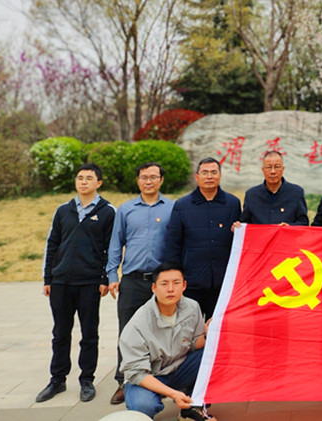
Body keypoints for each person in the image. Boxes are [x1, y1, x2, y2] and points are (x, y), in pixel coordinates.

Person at [36, 163, 115, 404]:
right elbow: (52, 244)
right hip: (61, 282)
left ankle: (87, 380)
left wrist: (104, 278)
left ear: (98, 183)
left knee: (89, 333)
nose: (83, 182)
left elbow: (110, 248)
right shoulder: (63, 210)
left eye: (89, 178)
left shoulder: (107, 211)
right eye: (80, 178)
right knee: (60, 333)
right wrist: (48, 278)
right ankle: (57, 379)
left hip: (89, 282)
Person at [105, 162, 176, 405]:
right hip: (133, 281)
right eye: (144, 177)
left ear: (161, 180)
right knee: (127, 331)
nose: (148, 181)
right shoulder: (125, 210)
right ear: (138, 180)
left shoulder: (172, 208)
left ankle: (160, 379)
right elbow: (116, 243)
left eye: (153, 177)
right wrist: (112, 275)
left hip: (162, 282)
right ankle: (123, 381)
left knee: (164, 330)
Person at [120, 262, 215, 421]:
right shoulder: (138, 323)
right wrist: (173, 394)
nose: (170, 289)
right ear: (154, 288)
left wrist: (207, 335)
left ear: (184, 286)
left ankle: (193, 409)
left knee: (213, 355)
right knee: (143, 405)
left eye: (176, 283)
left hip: (181, 369)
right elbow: (137, 372)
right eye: (164, 284)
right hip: (151, 376)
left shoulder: (192, 307)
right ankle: (170, 395)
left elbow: (193, 344)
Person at [165, 158, 242, 319]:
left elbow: (240, 241)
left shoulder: (232, 203)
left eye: (214, 172)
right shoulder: (182, 205)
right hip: (192, 282)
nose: (209, 176)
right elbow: (173, 244)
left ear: (220, 175)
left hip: (223, 283)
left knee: (217, 327)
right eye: (205, 172)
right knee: (189, 328)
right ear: (197, 176)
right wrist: (175, 278)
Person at [239, 151, 309, 226]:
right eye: (268, 167)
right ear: (263, 170)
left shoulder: (296, 193)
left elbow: (304, 223)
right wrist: (238, 226)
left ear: (283, 169)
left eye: (277, 167)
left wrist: (289, 227)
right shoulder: (251, 195)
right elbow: (244, 223)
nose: (273, 171)